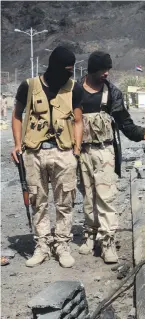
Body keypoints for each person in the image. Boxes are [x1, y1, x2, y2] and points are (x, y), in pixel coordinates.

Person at [77, 51, 145, 263]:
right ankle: (90, 234)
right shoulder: (74, 90)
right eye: (103, 69)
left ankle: (107, 241)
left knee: (106, 197)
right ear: (92, 69)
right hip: (81, 152)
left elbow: (123, 120)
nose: (106, 73)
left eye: (108, 69)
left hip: (105, 151)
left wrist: (141, 133)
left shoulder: (112, 92)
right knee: (87, 197)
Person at [11, 46, 84, 268]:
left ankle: (62, 244)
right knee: (38, 200)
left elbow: (79, 121)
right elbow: (17, 115)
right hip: (34, 152)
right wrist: (16, 145)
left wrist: (77, 149)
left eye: (71, 69)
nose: (68, 74)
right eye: (65, 69)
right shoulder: (29, 86)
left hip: (64, 152)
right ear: (53, 66)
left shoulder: (74, 88)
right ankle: (42, 245)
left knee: (65, 202)